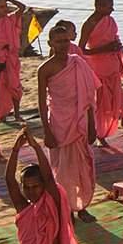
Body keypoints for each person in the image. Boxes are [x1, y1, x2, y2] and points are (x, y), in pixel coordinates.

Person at [37, 19, 99, 221]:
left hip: (80, 121)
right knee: (61, 170)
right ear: (51, 44)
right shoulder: (44, 69)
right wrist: (46, 131)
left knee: (84, 167)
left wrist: (91, 125)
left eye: (66, 41)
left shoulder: (78, 62)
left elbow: (88, 97)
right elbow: (41, 102)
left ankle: (81, 207)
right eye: (59, 41)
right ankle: (66, 209)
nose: (63, 45)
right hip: (59, 123)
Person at [80, 0, 123, 144]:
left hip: (113, 65)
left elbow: (114, 39)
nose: (112, 10)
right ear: (98, 6)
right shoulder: (89, 24)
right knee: (102, 103)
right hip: (98, 68)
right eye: (109, 7)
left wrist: (117, 48)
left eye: (112, 6)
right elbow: (81, 50)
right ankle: (100, 135)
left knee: (120, 99)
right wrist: (105, 49)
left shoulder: (109, 20)